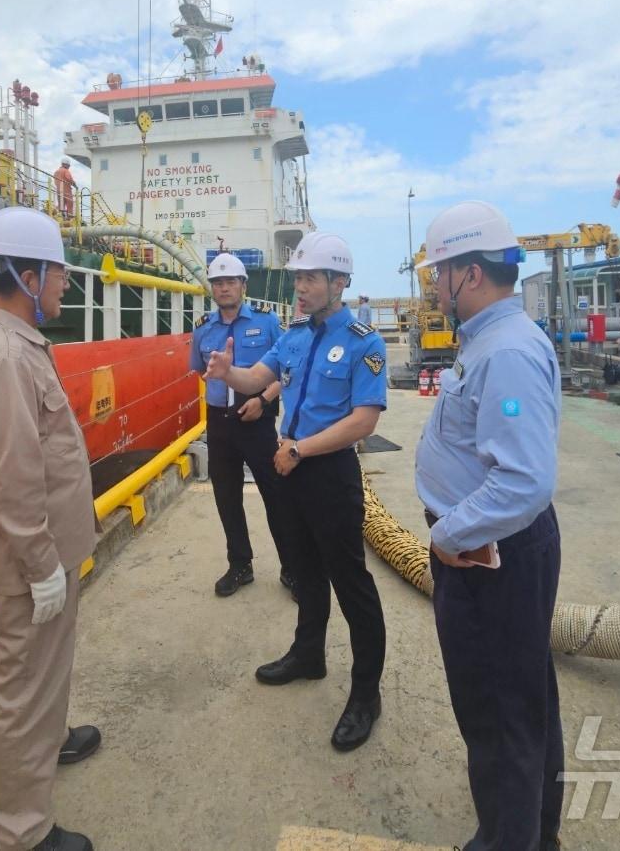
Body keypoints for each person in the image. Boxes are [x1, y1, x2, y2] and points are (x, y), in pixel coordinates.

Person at [414, 200, 564, 851]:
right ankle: (533, 834)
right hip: (492, 543)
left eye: (438, 272)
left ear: (469, 274)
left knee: (500, 717)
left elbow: (525, 480)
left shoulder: (504, 353)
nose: (432, 286)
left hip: (488, 552)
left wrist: (449, 536)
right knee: (524, 701)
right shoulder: (491, 341)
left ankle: (511, 839)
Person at [204, 232, 389, 752]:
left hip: (327, 473)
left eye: (309, 278)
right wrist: (227, 372)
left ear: (338, 283)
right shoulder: (294, 336)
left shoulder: (362, 342)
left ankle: (365, 694)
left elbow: (363, 421)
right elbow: (255, 377)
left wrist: (302, 450)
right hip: (293, 469)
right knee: (305, 572)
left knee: (351, 583)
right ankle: (309, 655)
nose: (300, 288)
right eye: (297, 278)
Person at [0, 206, 100, 851]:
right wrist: (42, 566)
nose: (66, 284)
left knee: (44, 676)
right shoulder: (6, 358)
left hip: (45, 555)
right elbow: (13, 479)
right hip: (27, 565)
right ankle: (20, 834)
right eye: (58, 274)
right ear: (26, 275)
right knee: (21, 690)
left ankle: (51, 737)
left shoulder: (18, 347)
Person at [189, 252, 295, 597]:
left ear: (243, 286)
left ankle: (292, 568)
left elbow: (286, 373)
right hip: (219, 424)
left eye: (230, 281)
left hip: (257, 421)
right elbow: (199, 372)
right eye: (218, 283)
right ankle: (240, 565)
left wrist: (262, 400)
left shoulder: (266, 323)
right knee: (227, 498)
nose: (224, 288)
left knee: (277, 496)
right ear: (212, 289)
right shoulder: (203, 328)